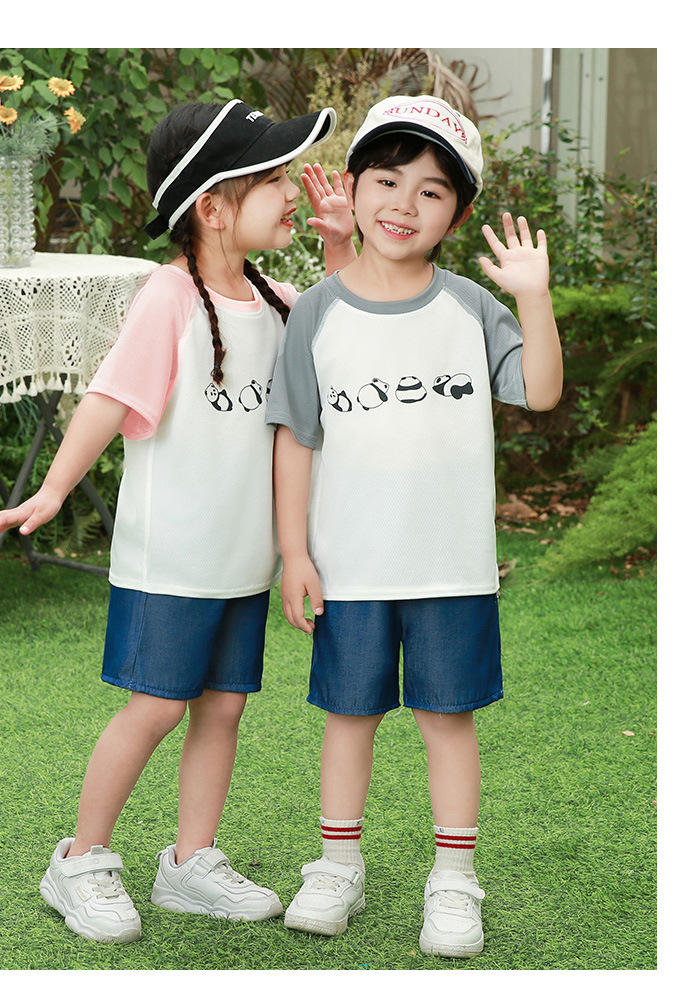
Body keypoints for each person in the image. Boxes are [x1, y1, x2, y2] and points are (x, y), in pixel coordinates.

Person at [0, 98, 356, 943]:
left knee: (223, 709)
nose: (291, 191)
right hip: (172, 561)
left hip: (243, 562)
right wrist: (52, 492)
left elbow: (343, 330)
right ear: (213, 207)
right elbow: (109, 398)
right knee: (154, 710)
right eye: (273, 179)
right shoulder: (169, 296)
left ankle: (190, 862)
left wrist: (338, 245)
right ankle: (80, 860)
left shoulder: (279, 299)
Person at [266, 94, 563, 957]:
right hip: (350, 566)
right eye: (387, 181)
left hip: (451, 567)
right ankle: (337, 866)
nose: (404, 204)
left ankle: (455, 880)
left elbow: (540, 391)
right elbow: (296, 438)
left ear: (457, 215)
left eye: (431, 191)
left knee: (447, 720)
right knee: (348, 717)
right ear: (354, 188)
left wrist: (534, 299)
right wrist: (294, 552)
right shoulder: (317, 312)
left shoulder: (471, 307)